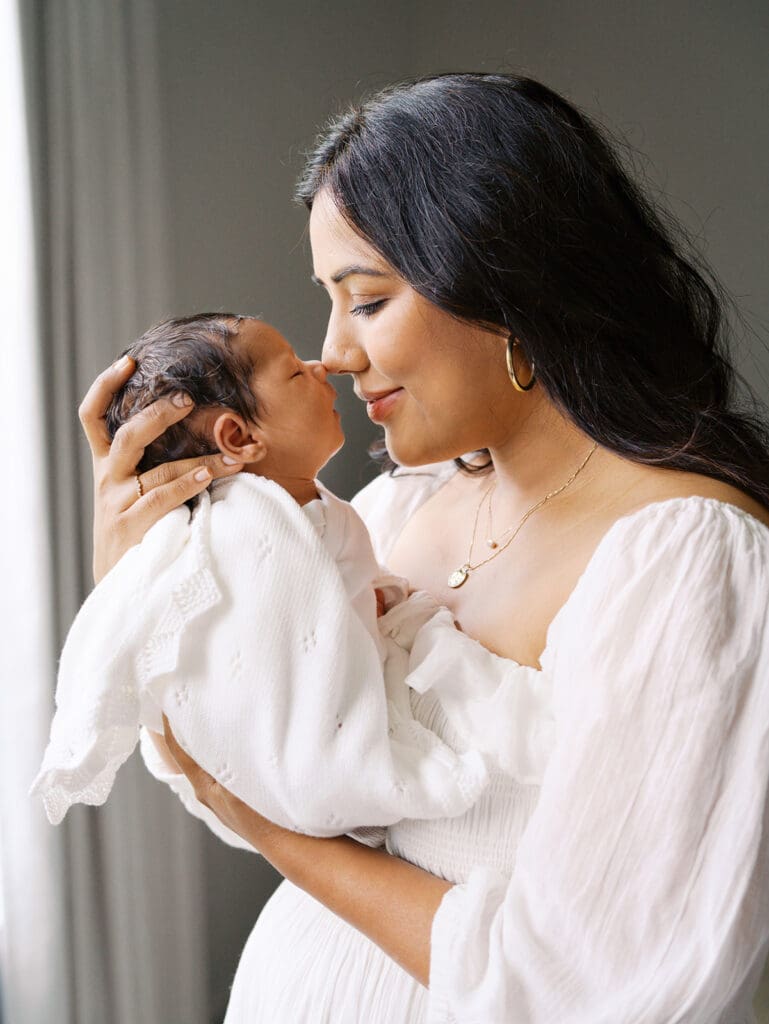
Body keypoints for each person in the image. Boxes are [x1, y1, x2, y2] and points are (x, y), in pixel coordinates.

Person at [78, 73, 769, 1022]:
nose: (333, 352)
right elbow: (264, 773)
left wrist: (288, 846)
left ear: (506, 283)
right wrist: (149, 585)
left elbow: (599, 987)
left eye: (366, 301)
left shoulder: (686, 559)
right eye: (328, 303)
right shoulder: (392, 510)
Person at [32, 312, 494, 838]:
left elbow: (346, 584)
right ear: (238, 436)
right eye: (295, 372)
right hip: (305, 784)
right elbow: (237, 681)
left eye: (367, 302)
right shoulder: (247, 527)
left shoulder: (316, 511)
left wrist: (381, 598)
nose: (323, 364)